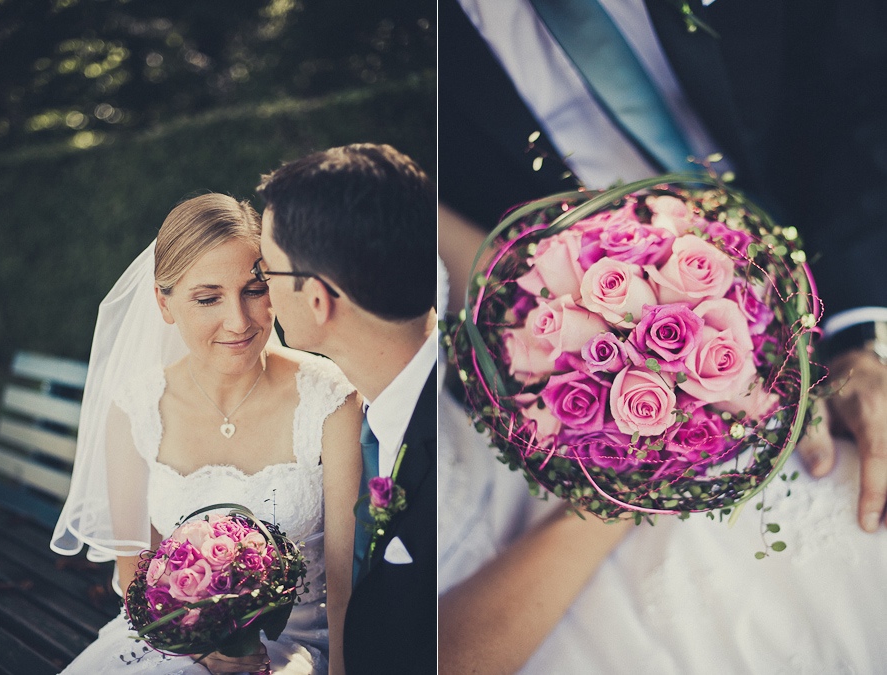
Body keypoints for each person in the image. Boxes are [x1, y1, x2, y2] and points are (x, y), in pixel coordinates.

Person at [438, 1, 887, 672]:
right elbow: (487, 286)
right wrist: (635, 426)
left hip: (851, 278)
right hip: (635, 441)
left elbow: (861, 100)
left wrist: (858, 331)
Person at [51, 193, 362, 674]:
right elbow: (138, 586)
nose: (238, 321)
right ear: (165, 302)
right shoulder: (136, 410)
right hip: (171, 645)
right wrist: (199, 654)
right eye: (208, 298)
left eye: (255, 290)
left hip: (298, 645)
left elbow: (343, 586)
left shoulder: (328, 400)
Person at [256, 143, 437, 674]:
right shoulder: (375, 413)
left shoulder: (456, 435)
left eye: (268, 274)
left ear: (316, 298)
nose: (264, 297)